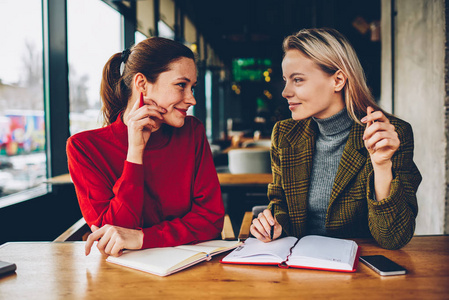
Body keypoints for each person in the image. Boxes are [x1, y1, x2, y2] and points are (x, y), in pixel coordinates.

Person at [250, 28, 421, 250]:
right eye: (285, 80)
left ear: (338, 80)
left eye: (298, 80)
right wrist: (273, 224)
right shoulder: (284, 134)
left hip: (361, 272)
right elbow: (280, 203)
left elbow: (394, 237)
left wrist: (381, 166)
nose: (285, 92)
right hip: (298, 269)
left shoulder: (389, 134)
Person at [66, 37, 224, 257]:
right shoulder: (84, 148)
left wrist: (142, 238)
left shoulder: (192, 131)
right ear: (141, 84)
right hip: (124, 278)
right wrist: (135, 153)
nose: (191, 99)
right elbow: (110, 237)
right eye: (181, 85)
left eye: (193, 88)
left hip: (193, 270)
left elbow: (210, 220)